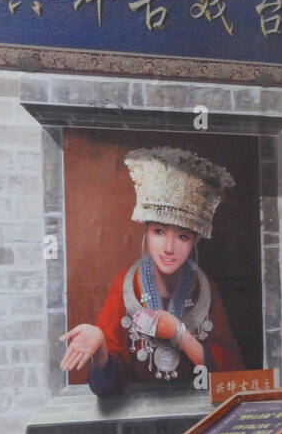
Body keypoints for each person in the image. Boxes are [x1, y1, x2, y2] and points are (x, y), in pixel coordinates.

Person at [60, 146, 245, 394]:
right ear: (146, 231)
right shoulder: (127, 285)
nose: (169, 248)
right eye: (159, 232)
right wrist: (100, 348)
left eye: (182, 236)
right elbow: (107, 387)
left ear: (195, 241)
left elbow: (232, 378)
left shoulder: (204, 289)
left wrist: (180, 334)